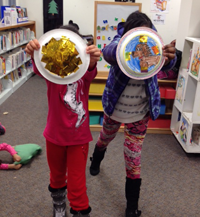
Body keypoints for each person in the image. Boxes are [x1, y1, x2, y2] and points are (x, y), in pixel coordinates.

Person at [89, 11, 177, 217]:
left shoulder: (153, 45)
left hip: (140, 114)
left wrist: (170, 57)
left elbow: (169, 63)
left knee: (133, 159)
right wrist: (130, 49)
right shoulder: (119, 42)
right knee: (104, 139)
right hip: (115, 110)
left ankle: (131, 207)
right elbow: (108, 52)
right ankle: (96, 159)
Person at [25, 24, 101, 217]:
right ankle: (59, 203)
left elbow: (91, 69)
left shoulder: (84, 74)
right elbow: (39, 64)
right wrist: (32, 50)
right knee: (57, 175)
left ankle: (80, 210)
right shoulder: (52, 75)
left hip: (78, 137)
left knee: (77, 182)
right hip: (55, 135)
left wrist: (91, 60)